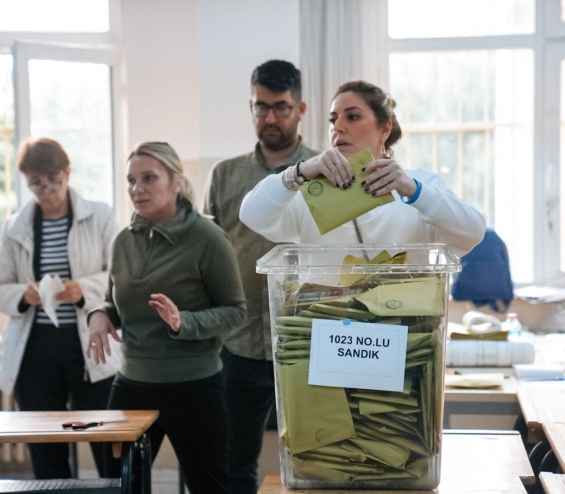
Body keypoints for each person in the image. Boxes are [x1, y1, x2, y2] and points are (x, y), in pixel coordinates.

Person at [87, 141, 246, 494]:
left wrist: (183, 322)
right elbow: (114, 301)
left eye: (148, 178)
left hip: (195, 387)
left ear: (176, 183)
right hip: (132, 384)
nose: (137, 189)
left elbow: (236, 311)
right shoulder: (123, 241)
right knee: (117, 486)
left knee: (209, 487)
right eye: (131, 180)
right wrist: (98, 314)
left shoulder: (209, 238)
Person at [202, 59, 318, 494]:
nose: (270, 117)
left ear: (300, 109)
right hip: (239, 342)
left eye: (281, 107)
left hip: (310, 338)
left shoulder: (326, 170)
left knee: (318, 453)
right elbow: (206, 253)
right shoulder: (225, 175)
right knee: (234, 461)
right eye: (261, 107)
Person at [0, 138, 120, 479]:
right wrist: (24, 294)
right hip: (36, 347)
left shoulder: (100, 216)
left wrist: (83, 289)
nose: (45, 190)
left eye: (53, 181)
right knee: (45, 445)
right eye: (36, 183)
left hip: (90, 341)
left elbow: (120, 275)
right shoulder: (15, 226)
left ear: (68, 173)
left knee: (106, 440)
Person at [240, 80, 486, 257]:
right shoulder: (309, 194)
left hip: (405, 317)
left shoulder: (421, 185)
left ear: (385, 128)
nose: (338, 127)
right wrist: (299, 172)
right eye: (333, 119)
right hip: (323, 317)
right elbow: (252, 216)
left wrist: (414, 191)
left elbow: (472, 233)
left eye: (353, 117)